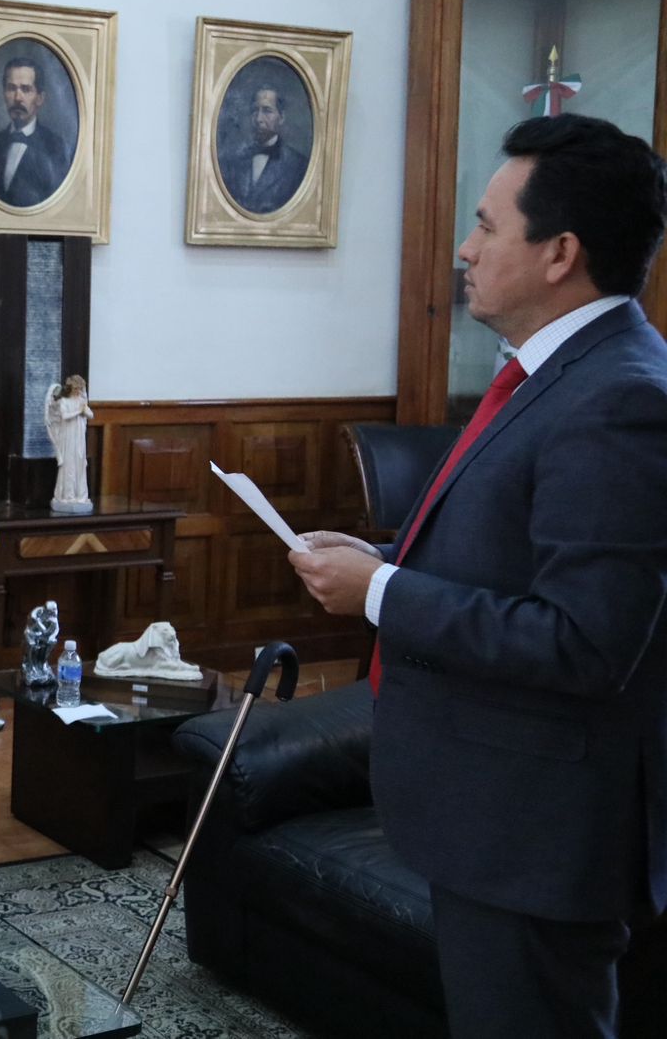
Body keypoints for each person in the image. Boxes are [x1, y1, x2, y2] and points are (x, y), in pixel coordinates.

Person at [288, 114, 667, 1039]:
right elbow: (510, 562)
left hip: (537, 836)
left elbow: (583, 641)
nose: (464, 248)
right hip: (492, 821)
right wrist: (380, 562)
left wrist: (379, 595)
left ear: (560, 253)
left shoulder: (621, 397)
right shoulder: (553, 375)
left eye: (488, 226)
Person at [0, 56, 71, 206]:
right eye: (11, 88)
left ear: (40, 98)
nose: (18, 98)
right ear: (4, 93)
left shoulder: (56, 148)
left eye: (26, 89)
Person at [219, 86, 310, 214]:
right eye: (254, 111)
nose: (258, 119)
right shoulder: (233, 161)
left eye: (267, 111)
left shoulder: (298, 166)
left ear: (281, 117)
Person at [44, 374, 93, 512]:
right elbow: (65, 416)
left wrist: (84, 411)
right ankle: (67, 495)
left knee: (80, 463)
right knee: (69, 465)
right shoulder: (64, 401)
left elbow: (91, 415)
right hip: (68, 436)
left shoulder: (82, 400)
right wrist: (79, 411)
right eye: (77, 389)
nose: (79, 391)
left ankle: (81, 495)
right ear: (71, 388)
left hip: (79, 437)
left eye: (81, 389)